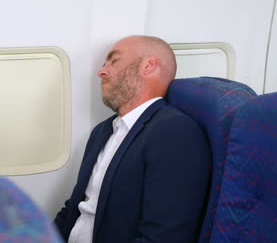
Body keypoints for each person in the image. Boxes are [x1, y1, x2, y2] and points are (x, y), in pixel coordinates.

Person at [54, 35, 211, 243]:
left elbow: (163, 236)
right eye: (103, 64)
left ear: (148, 66)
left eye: (114, 61)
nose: (101, 71)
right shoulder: (102, 131)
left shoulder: (175, 132)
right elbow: (74, 208)